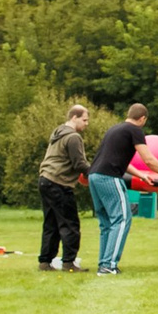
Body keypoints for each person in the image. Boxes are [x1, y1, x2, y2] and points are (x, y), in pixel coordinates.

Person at [86, 104, 152, 274]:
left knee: (107, 223)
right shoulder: (135, 130)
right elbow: (149, 159)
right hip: (109, 177)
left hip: (93, 176)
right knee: (122, 219)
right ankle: (109, 266)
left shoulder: (114, 129)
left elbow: (118, 159)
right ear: (142, 118)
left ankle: (103, 264)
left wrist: (140, 175)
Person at [36, 104, 90, 271]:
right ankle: (68, 263)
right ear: (74, 117)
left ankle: (45, 262)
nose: (86, 124)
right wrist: (96, 172)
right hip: (59, 182)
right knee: (70, 224)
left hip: (45, 179)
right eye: (84, 119)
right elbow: (79, 163)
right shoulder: (73, 137)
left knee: (51, 223)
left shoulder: (58, 132)